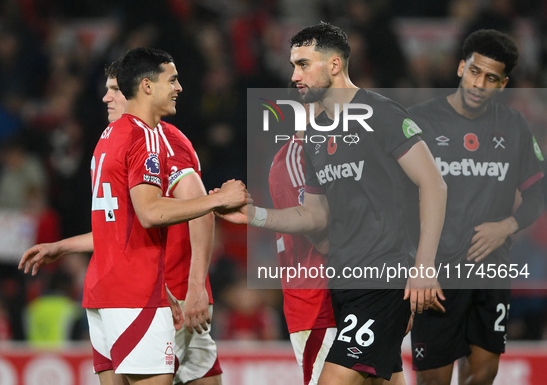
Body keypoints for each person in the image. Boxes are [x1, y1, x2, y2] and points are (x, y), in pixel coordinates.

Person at [218, 23, 447, 385]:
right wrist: (254, 216)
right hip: (345, 280)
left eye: (304, 64)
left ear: (335, 65)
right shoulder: (315, 136)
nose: (295, 75)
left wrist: (424, 266)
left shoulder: (382, 113)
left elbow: (433, 183)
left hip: (383, 276)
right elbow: (313, 214)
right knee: (380, 379)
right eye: (294, 65)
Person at [20, 48, 246, 385]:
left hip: (126, 287)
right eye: (172, 80)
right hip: (139, 291)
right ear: (146, 87)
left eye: (114, 89)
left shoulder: (107, 141)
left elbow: (119, 226)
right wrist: (219, 201)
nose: (108, 97)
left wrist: (62, 246)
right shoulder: (148, 139)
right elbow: (154, 212)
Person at [407, 29, 545, 385]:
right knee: (433, 380)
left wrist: (507, 226)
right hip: (437, 273)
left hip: (491, 272)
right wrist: (416, 263)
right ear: (459, 68)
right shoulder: (418, 121)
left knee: (483, 374)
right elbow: (396, 199)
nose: (479, 83)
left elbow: (538, 192)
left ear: (502, 84)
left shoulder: (513, 126)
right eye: (474, 71)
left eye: (491, 77)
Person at [268, 98, 337, 385]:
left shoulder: (326, 154)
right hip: (317, 304)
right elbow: (323, 238)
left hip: (345, 299)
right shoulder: (296, 160)